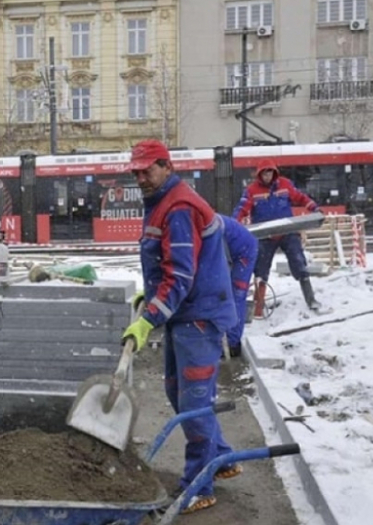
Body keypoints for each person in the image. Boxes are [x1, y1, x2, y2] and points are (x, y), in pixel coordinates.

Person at [121, 139, 240, 514]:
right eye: (136, 172)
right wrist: (151, 294)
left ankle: (198, 486)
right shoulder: (161, 201)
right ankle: (221, 457)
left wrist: (147, 320)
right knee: (179, 394)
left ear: (166, 166)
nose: (141, 177)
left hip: (199, 317)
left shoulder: (178, 207)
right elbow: (169, 266)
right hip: (185, 314)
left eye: (148, 170)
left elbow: (182, 275)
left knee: (193, 403)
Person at [232, 160, 322, 315]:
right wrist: (233, 225)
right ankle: (258, 309)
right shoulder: (252, 190)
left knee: (299, 262)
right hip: (265, 235)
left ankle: (311, 299)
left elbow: (300, 197)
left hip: (287, 231)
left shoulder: (285, 185)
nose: (267, 176)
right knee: (260, 270)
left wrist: (315, 208)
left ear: (274, 173)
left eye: (270, 172)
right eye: (264, 173)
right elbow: (242, 208)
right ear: (260, 174)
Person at [219, 215, 258, 358]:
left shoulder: (211, 229)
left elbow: (222, 263)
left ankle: (233, 343)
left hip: (244, 253)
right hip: (233, 250)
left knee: (236, 295)